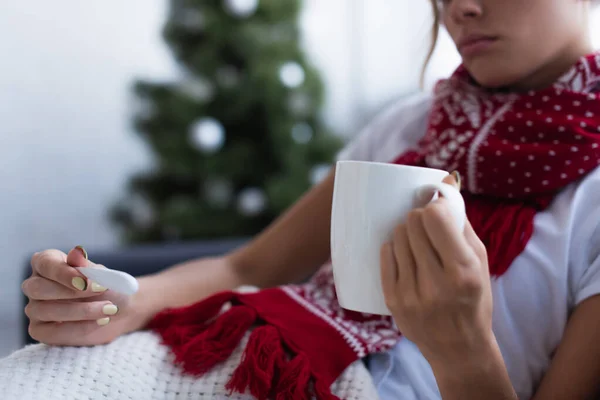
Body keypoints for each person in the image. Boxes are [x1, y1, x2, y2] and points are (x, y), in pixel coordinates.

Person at [5, 0, 600, 399]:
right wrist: (122, 303)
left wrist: (461, 349)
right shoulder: (408, 127)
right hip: (252, 347)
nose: (457, 8)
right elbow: (248, 267)